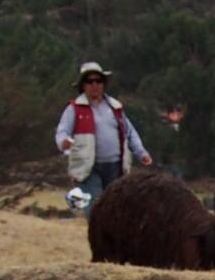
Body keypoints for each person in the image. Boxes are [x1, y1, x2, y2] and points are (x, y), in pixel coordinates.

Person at [55, 62, 151, 214]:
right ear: (83, 85)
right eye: (89, 81)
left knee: (115, 209)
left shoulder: (115, 108)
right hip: (88, 168)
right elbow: (62, 131)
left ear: (104, 84)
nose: (94, 84)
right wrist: (64, 142)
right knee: (95, 208)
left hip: (115, 167)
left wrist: (142, 153)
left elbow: (130, 132)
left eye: (98, 81)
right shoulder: (74, 108)